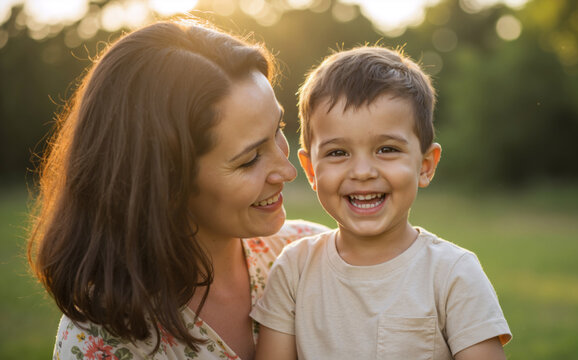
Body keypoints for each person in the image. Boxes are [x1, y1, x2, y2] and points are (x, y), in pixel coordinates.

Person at [26, 19, 328, 360]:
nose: (288, 171)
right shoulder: (105, 341)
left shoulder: (316, 257)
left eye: (279, 129)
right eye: (249, 160)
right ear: (166, 183)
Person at [250, 46, 512, 360]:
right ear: (310, 170)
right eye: (338, 153)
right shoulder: (294, 271)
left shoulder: (453, 274)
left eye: (386, 149)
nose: (362, 172)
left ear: (425, 165)